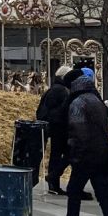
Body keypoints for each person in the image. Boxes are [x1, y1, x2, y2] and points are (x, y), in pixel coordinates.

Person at [49, 68, 108, 216]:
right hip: (101, 151)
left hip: (85, 154)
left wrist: (74, 156)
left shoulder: (78, 103)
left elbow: (78, 131)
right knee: (103, 194)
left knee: (73, 191)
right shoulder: (95, 99)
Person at [36, 67, 72, 195]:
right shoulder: (62, 91)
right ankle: (54, 178)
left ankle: (53, 182)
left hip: (54, 126)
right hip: (60, 126)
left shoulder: (52, 89)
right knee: (69, 154)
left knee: (56, 154)